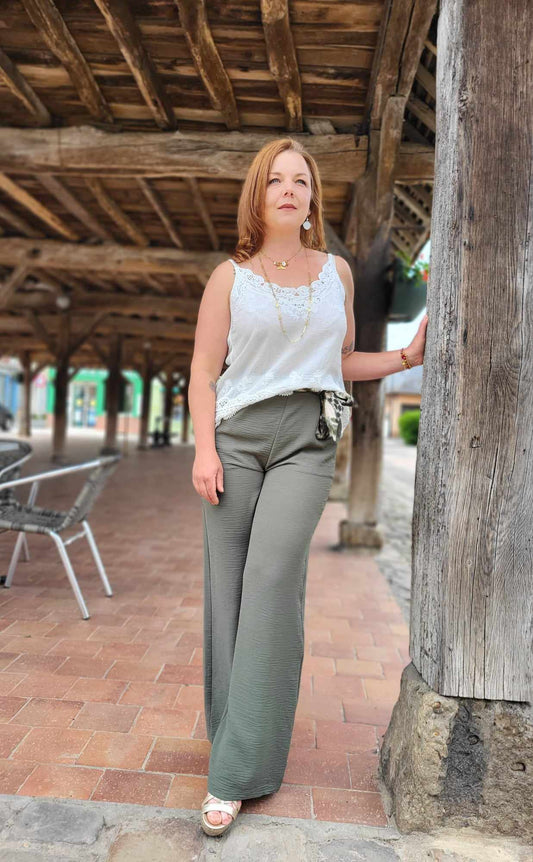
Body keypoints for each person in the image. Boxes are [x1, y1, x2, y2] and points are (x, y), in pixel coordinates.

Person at [188, 138, 428, 836]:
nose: (289, 190)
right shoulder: (228, 278)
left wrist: (404, 357)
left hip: (306, 440)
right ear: (258, 196)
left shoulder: (336, 274)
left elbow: (338, 359)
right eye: (275, 181)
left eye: (300, 180)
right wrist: (203, 449)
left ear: (313, 197)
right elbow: (203, 371)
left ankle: (234, 775)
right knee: (228, 592)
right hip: (234, 440)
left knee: (270, 581)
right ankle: (233, 739)